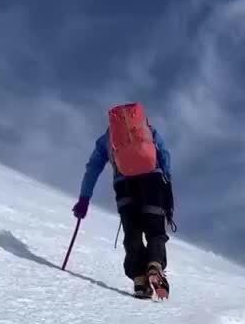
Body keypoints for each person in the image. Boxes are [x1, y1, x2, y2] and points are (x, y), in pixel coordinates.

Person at [72, 103, 175, 299]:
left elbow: (92, 168)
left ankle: (139, 280)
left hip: (124, 185)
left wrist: (84, 198)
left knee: (132, 232)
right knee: (155, 231)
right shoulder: (149, 131)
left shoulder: (107, 139)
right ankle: (154, 265)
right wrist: (166, 179)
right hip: (152, 181)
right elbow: (164, 154)